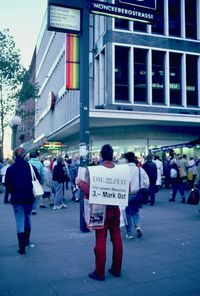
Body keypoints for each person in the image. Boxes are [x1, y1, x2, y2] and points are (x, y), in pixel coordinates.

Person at [76, 144, 123, 281]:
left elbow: (89, 191)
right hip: (115, 209)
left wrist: (80, 183)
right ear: (112, 155)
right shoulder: (120, 171)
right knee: (117, 238)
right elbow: (128, 188)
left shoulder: (95, 170)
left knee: (100, 239)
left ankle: (99, 272)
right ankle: (116, 269)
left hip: (100, 209)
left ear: (102, 156)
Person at [5, 147, 40, 255]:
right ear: (25, 155)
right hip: (29, 198)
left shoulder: (10, 169)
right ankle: (26, 240)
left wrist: (12, 193)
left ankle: (21, 248)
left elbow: (7, 185)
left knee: (19, 221)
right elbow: (38, 179)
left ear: (15, 156)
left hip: (16, 199)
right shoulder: (31, 167)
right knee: (28, 218)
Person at [124, 152, 149, 239]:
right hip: (137, 195)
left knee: (127, 213)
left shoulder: (123, 170)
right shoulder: (140, 170)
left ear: (126, 160)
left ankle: (129, 233)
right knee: (135, 211)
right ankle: (138, 226)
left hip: (126, 195)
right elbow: (146, 183)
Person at [28, 151, 45, 215]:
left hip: (28, 181)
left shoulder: (28, 163)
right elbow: (42, 174)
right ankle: (33, 209)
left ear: (30, 156)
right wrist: (42, 182)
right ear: (36, 156)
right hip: (37, 181)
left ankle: (29, 207)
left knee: (30, 194)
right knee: (36, 195)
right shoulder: (40, 163)